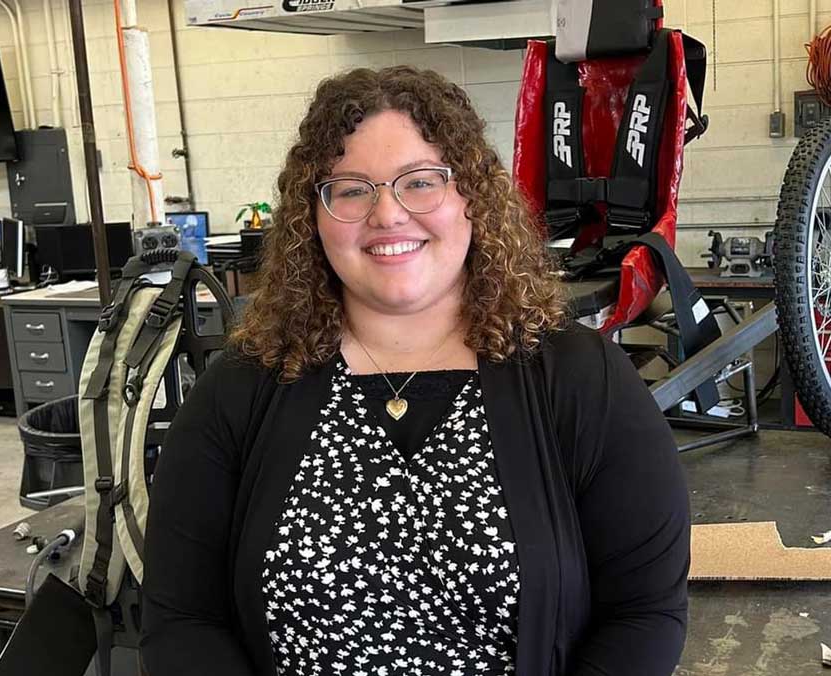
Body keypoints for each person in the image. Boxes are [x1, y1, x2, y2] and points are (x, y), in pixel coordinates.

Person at [140, 65, 691, 676]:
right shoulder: (243, 388)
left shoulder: (583, 381)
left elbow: (644, 615)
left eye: (420, 182)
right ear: (312, 219)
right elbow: (182, 621)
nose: (388, 215)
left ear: (473, 198)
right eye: (351, 189)